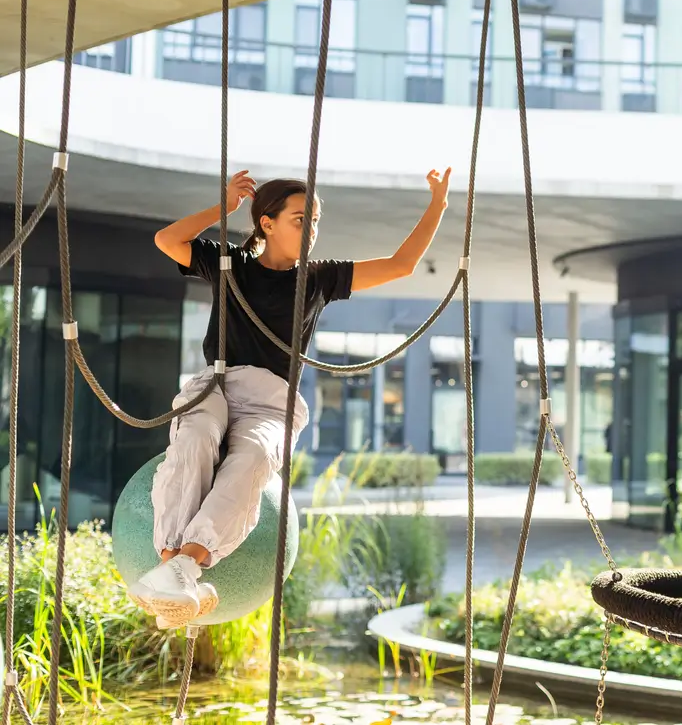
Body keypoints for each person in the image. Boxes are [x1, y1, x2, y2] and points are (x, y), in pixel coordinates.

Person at [128, 167, 452, 628]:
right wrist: (224, 209)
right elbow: (167, 240)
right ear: (267, 223)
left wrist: (437, 205)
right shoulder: (229, 263)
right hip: (217, 382)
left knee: (256, 455)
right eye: (302, 219)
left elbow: (400, 265)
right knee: (197, 433)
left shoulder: (318, 280)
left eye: (316, 221)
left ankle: (181, 565)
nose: (312, 230)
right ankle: (173, 564)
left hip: (269, 400)